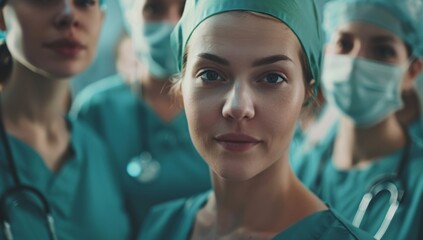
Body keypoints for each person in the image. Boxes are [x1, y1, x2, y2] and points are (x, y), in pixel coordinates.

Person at [137, 0, 375, 239]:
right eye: (211, 74)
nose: (238, 107)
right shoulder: (160, 227)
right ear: (180, 91)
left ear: (307, 95)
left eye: (272, 78)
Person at [71, 0, 211, 237]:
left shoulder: (226, 107)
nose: (172, 23)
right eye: (155, 9)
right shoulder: (98, 110)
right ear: (129, 15)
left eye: (186, 10)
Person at [293, 0, 423, 239]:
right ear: (327, 53)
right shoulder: (300, 165)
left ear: (412, 71)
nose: (355, 62)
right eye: (344, 43)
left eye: (383, 50)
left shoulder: (418, 184)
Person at [0, 0, 130, 239]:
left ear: (100, 20)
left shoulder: (97, 151)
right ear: (2, 16)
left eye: (85, 2)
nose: (69, 16)